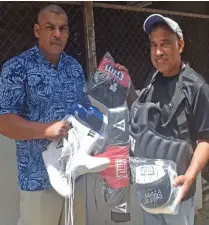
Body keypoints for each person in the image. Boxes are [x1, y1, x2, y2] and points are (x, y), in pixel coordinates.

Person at [117, 14, 209, 225]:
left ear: (181, 45)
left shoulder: (197, 87)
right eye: (153, 45)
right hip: (149, 188)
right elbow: (140, 115)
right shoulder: (153, 79)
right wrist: (128, 86)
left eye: (165, 44)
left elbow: (205, 140)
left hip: (179, 191)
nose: (158, 52)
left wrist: (190, 177)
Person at [0, 4, 88, 225]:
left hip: (74, 178)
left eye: (62, 28)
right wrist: (46, 130)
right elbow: (4, 121)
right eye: (50, 27)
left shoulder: (75, 69)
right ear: (37, 31)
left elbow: (84, 111)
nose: (57, 34)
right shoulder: (17, 68)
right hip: (38, 181)